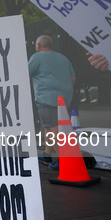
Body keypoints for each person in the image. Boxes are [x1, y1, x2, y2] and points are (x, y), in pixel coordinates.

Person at [28, 35, 76, 170]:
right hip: (65, 97)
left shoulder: (37, 57)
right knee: (48, 125)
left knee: (52, 127)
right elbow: (73, 79)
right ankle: (47, 154)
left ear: (38, 45)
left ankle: (63, 161)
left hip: (47, 97)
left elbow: (25, 73)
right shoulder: (63, 58)